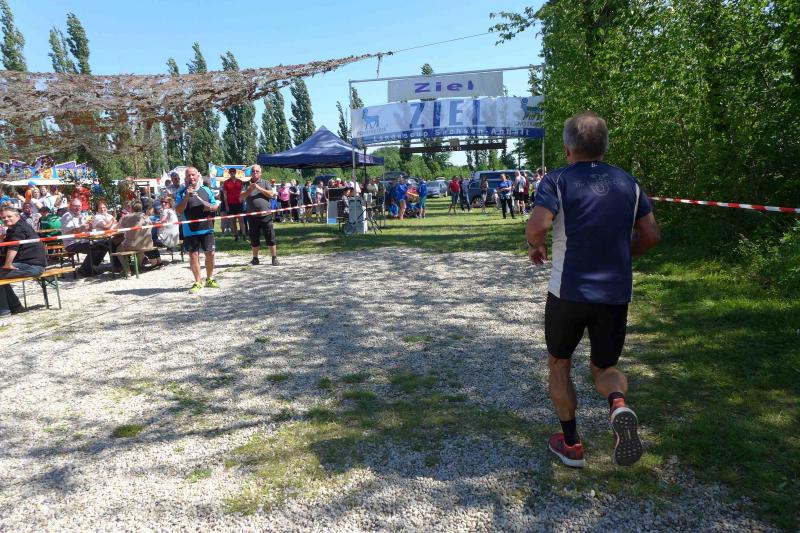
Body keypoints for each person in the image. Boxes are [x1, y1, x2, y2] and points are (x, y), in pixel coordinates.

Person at [525, 111, 661, 468]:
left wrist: (535, 245)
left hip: (567, 292)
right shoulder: (628, 182)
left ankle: (571, 444)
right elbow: (651, 234)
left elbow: (537, 227)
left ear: (568, 149)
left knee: (559, 363)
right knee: (604, 366)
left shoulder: (557, 180)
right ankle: (617, 404)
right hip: (614, 293)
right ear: (604, 146)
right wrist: (623, 255)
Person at [175, 166, 220, 292]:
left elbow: (215, 205)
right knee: (194, 255)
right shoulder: (181, 192)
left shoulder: (206, 190)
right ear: (185, 178)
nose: (191, 177)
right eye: (188, 175)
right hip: (190, 230)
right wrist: (186, 196)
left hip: (207, 228)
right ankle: (198, 282)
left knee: (210, 254)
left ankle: (209, 278)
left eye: (193, 175)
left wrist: (211, 207)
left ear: (198, 176)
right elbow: (179, 210)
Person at [0, 206, 47, 319]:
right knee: (1, 277)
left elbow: (13, 246)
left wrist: (8, 264)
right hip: (28, 264)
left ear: (17, 216)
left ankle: (4, 311)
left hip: (33, 266)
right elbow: (4, 249)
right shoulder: (13, 229)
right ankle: (15, 307)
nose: (6, 219)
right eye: (3, 217)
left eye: (9, 216)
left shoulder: (19, 228)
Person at [240, 165, 279, 266]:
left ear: (260, 173)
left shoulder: (265, 182)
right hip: (252, 216)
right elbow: (241, 197)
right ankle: (255, 258)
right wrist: (250, 190)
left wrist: (258, 188)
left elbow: (271, 194)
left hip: (266, 215)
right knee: (254, 238)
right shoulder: (245, 184)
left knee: (270, 237)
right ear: (250, 173)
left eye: (257, 171)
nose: (255, 173)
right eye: (253, 171)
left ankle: (274, 258)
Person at [61, 198, 107, 276]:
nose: (78, 208)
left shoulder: (83, 215)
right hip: (71, 243)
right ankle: (84, 270)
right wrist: (81, 228)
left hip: (83, 241)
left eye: (79, 206)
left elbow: (88, 229)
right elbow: (69, 232)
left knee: (104, 245)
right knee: (95, 247)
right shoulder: (67, 216)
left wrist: (90, 226)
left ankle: (92, 267)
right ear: (70, 206)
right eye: (75, 206)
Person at [118, 202, 161, 270]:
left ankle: (127, 270)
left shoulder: (127, 216)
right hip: (147, 244)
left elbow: (121, 226)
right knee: (140, 250)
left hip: (133, 245)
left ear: (131, 208)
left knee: (119, 249)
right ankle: (137, 267)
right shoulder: (146, 217)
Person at [222, 167, 245, 241]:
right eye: (231, 172)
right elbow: (225, 195)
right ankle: (236, 235)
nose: (232, 173)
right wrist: (226, 205)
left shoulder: (240, 181)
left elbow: (242, 192)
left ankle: (244, 235)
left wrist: (242, 199)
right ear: (229, 173)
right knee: (233, 221)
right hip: (230, 204)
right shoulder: (226, 182)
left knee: (241, 219)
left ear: (235, 173)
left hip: (239, 203)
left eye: (233, 172)